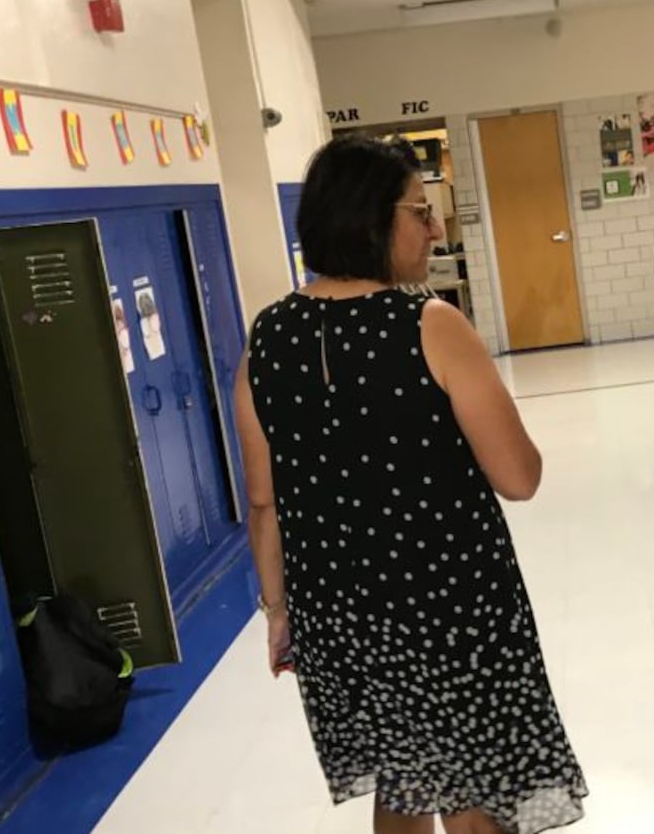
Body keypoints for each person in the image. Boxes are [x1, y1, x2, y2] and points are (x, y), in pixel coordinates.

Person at [235, 135, 587, 834]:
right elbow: (519, 477)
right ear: (370, 220)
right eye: (420, 213)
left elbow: (263, 501)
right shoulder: (430, 323)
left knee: (400, 782)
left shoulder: (267, 338)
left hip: (336, 612)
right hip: (447, 605)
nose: (435, 229)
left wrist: (278, 614)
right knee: (474, 786)